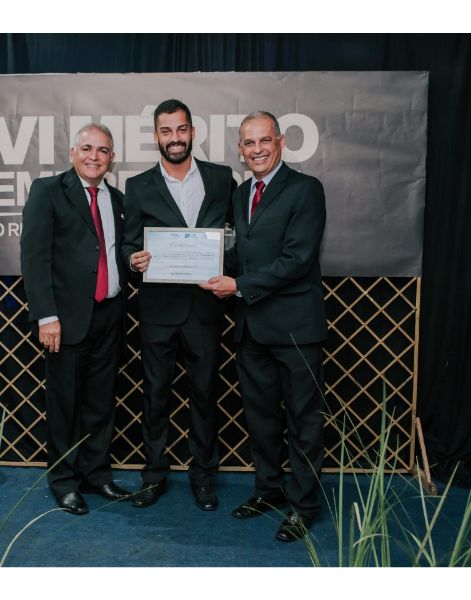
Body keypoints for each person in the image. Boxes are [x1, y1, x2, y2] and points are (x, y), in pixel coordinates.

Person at [201, 111, 326, 541]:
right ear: (240, 149)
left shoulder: (306, 190)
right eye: (249, 143)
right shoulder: (241, 195)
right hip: (251, 328)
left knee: (303, 422)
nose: (257, 149)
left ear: (281, 142)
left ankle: (304, 506)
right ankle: (268, 491)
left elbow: (297, 259)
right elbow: (243, 254)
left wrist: (238, 285)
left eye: (264, 140)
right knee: (261, 419)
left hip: (295, 330)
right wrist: (199, 262)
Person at [123, 99, 236, 510]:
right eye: (166, 131)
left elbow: (236, 236)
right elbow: (127, 245)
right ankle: (154, 475)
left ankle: (203, 476)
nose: (175, 138)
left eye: (181, 129)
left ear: (193, 132)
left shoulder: (222, 179)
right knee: (155, 396)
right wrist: (133, 261)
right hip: (158, 311)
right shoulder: (137, 186)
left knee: (205, 395)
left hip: (206, 307)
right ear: (156, 136)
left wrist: (228, 268)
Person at [20, 123, 131, 515]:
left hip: (110, 314)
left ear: (112, 158)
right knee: (64, 405)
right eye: (87, 148)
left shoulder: (118, 199)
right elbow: (34, 258)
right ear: (72, 153)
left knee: (101, 403)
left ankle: (97, 475)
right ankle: (64, 482)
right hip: (64, 320)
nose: (94, 156)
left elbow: (117, 254)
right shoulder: (48, 191)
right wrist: (46, 316)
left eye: (102, 150)